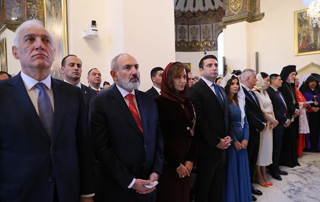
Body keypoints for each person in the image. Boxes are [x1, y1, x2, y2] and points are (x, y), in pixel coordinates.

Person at [0, 20, 94, 202]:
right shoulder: (2, 93)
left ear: (53, 52)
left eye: (46, 40)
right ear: (15, 52)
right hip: (18, 194)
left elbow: (83, 146)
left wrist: (87, 193)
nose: (39, 45)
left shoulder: (72, 93)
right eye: (29, 39)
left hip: (67, 192)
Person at [89, 53, 164, 202]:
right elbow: (101, 149)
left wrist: (156, 171)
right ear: (114, 74)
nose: (134, 72)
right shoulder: (100, 102)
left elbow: (158, 139)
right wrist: (131, 182)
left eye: (136, 67)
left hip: (149, 185)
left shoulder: (148, 100)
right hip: (118, 188)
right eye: (127, 68)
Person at [188, 55, 233, 202]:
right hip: (207, 146)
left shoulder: (220, 89)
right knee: (204, 185)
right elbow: (200, 120)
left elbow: (227, 114)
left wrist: (228, 136)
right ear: (201, 70)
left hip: (223, 144)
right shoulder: (195, 90)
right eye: (209, 65)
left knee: (218, 184)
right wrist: (216, 141)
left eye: (215, 65)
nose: (214, 68)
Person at [155, 62, 197, 202]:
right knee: (171, 194)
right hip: (171, 159)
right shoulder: (160, 102)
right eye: (178, 77)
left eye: (184, 77)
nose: (183, 81)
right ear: (169, 79)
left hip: (187, 155)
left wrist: (190, 159)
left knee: (185, 194)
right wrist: (176, 165)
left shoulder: (187, 101)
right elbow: (162, 138)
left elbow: (193, 131)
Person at [220, 74, 252, 202]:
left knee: (242, 169)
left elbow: (246, 121)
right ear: (227, 85)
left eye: (237, 83)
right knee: (232, 170)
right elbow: (226, 124)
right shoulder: (224, 101)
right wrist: (234, 141)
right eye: (232, 83)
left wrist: (246, 138)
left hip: (242, 137)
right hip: (231, 138)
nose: (235, 86)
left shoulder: (240, 100)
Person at [241, 69, 267, 201]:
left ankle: (250, 185)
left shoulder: (251, 91)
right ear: (247, 78)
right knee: (248, 160)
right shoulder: (241, 92)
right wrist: (260, 125)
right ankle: (246, 188)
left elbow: (258, 110)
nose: (256, 80)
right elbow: (248, 113)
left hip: (255, 130)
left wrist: (263, 121)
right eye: (254, 78)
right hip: (249, 131)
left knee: (252, 160)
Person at [252, 72, 278, 187]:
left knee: (267, 150)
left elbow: (271, 107)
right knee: (260, 152)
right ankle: (259, 175)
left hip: (270, 124)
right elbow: (261, 111)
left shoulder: (265, 92)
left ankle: (264, 173)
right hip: (262, 123)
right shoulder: (256, 93)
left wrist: (273, 120)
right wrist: (271, 120)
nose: (268, 83)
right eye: (266, 80)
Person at [266, 74, 291, 181]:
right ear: (273, 81)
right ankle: (273, 170)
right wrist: (284, 120)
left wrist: (288, 118)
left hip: (282, 123)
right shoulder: (270, 92)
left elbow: (284, 106)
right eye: (279, 79)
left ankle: (277, 167)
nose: (281, 81)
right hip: (276, 123)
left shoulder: (279, 92)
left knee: (279, 147)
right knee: (275, 147)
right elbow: (274, 110)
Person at [278, 65, 300, 167]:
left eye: (295, 75)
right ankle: (287, 161)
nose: (294, 77)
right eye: (292, 74)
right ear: (286, 75)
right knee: (287, 139)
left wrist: (297, 109)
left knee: (292, 138)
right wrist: (293, 110)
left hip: (293, 116)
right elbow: (285, 102)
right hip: (287, 116)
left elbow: (294, 99)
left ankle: (293, 159)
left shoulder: (291, 85)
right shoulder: (282, 86)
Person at [300, 75, 320, 152]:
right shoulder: (304, 92)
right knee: (309, 131)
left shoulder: (319, 92)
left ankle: (317, 147)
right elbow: (302, 103)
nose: (313, 83)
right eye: (311, 82)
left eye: (314, 82)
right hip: (308, 115)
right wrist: (310, 108)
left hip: (318, 115)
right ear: (308, 83)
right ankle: (309, 147)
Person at [294, 77, 311, 156]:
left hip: (302, 115)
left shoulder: (297, 90)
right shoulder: (293, 90)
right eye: (296, 79)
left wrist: (305, 104)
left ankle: (300, 151)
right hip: (298, 115)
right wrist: (302, 104)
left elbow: (302, 100)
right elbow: (294, 103)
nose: (298, 81)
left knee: (302, 134)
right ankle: (297, 151)